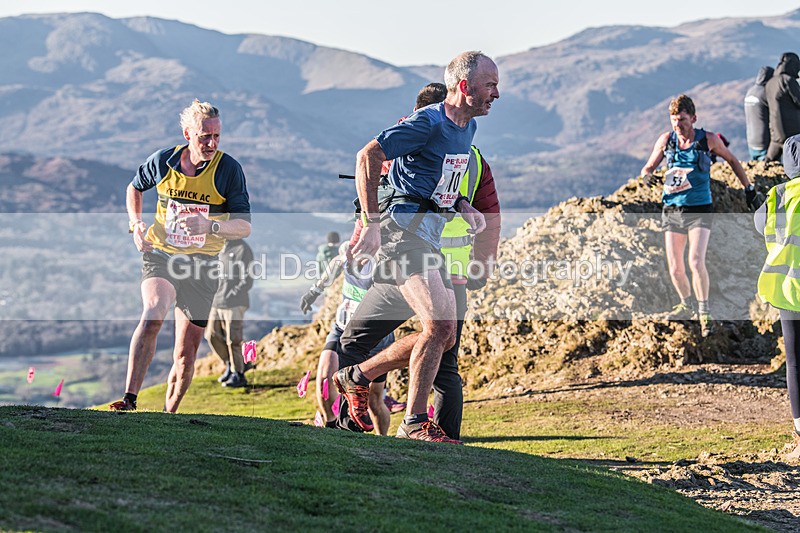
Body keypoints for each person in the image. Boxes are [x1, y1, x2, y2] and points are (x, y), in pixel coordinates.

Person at [334, 51, 499, 444]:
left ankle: (358, 376)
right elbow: (367, 156)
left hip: (427, 239)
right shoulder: (427, 121)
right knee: (438, 326)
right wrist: (371, 227)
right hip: (400, 234)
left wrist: (462, 205)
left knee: (445, 336)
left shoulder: (467, 129)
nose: (497, 93)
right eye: (490, 85)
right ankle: (413, 421)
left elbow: (435, 181)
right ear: (464, 86)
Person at [110, 99, 251, 412]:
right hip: (162, 254)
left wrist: (211, 225)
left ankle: (167, 415)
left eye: (217, 136)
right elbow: (134, 187)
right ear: (188, 134)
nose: (212, 143)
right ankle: (130, 400)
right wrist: (135, 225)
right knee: (153, 314)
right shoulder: (164, 160)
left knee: (186, 352)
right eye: (205, 136)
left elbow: (244, 226)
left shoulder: (228, 170)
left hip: (203, 265)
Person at [641, 94, 757, 337]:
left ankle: (704, 312)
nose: (678, 125)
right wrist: (648, 174)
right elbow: (648, 166)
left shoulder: (709, 140)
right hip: (672, 209)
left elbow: (733, 160)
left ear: (693, 118)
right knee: (675, 268)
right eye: (674, 120)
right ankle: (687, 303)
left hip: (700, 208)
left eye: (682, 120)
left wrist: (748, 188)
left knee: (695, 261)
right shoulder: (666, 141)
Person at [300, 221, 396, 434]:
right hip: (342, 326)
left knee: (373, 400)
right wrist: (313, 293)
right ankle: (331, 425)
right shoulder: (347, 253)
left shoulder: (384, 263)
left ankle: (384, 440)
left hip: (375, 335)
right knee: (325, 375)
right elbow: (334, 265)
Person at [755, 134, 800, 462]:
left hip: (787, 291)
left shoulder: (776, 195)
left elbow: (760, 225)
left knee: (795, 363)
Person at [205, 238, 254, 388]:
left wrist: (233, 293)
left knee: (234, 339)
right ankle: (230, 365)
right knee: (211, 335)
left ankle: (238, 374)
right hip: (217, 300)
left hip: (235, 302)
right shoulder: (219, 247)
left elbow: (248, 278)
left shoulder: (242, 248)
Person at [765, 52, 800, 162]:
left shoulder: (770, 82)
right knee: (795, 165)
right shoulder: (788, 80)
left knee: (769, 162)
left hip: (775, 130)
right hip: (792, 132)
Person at [744, 66, 774, 161]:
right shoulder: (765, 93)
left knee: (756, 170)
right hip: (764, 140)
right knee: (769, 171)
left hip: (751, 139)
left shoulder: (750, 92)